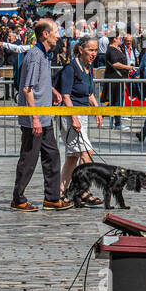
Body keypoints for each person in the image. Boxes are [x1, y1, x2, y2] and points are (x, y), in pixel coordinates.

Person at [11, 19, 67, 212]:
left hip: (45, 116)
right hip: (34, 118)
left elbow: (36, 82)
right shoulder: (35, 56)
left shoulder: (46, 55)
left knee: (52, 155)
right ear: (45, 34)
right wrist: (34, 117)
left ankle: (52, 198)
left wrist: (51, 90)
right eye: (56, 32)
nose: (58, 35)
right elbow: (27, 89)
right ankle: (18, 198)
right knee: (29, 159)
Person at [57, 35, 103, 205]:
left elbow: (89, 93)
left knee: (72, 158)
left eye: (96, 50)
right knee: (86, 153)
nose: (94, 53)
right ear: (81, 49)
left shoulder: (88, 68)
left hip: (82, 114)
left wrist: (97, 110)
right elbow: (66, 95)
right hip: (70, 116)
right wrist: (73, 117)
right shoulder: (71, 68)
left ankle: (61, 192)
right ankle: (84, 191)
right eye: (91, 50)